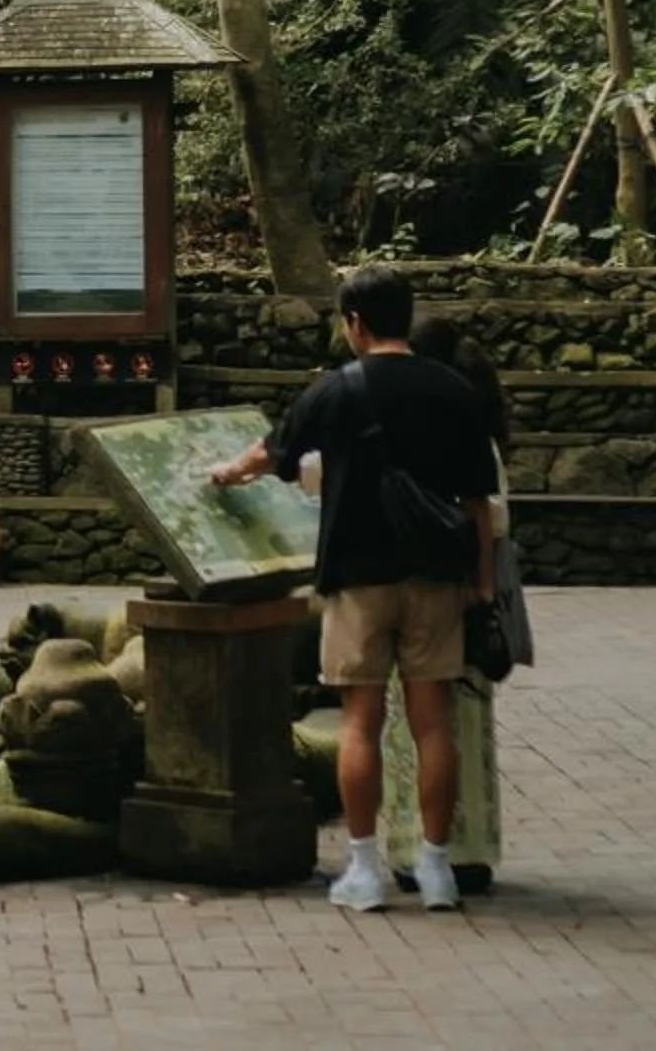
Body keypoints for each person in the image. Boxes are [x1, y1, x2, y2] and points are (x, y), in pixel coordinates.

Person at [208, 264, 497, 913]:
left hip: (358, 577)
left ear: (356, 323)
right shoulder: (454, 391)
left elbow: (272, 452)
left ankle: (364, 870)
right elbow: (479, 502)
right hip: (436, 576)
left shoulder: (337, 389)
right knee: (433, 727)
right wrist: (479, 583)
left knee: (360, 724)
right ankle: (438, 868)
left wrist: (227, 473)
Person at [394, 313, 514, 895]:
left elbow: (483, 515)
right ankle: (467, 849)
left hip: (445, 586)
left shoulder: (443, 428)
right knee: (462, 718)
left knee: (421, 720)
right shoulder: (478, 427)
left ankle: (421, 843)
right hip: (474, 590)